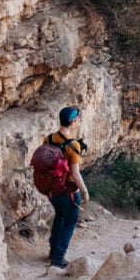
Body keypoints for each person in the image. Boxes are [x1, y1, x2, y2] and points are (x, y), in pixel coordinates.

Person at [46, 106, 90, 269]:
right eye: (76, 120)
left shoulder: (49, 139)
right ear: (72, 122)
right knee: (70, 220)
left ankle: (53, 251)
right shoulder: (73, 146)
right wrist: (84, 192)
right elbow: (75, 173)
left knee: (60, 216)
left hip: (51, 189)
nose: (77, 122)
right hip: (68, 190)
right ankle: (58, 257)